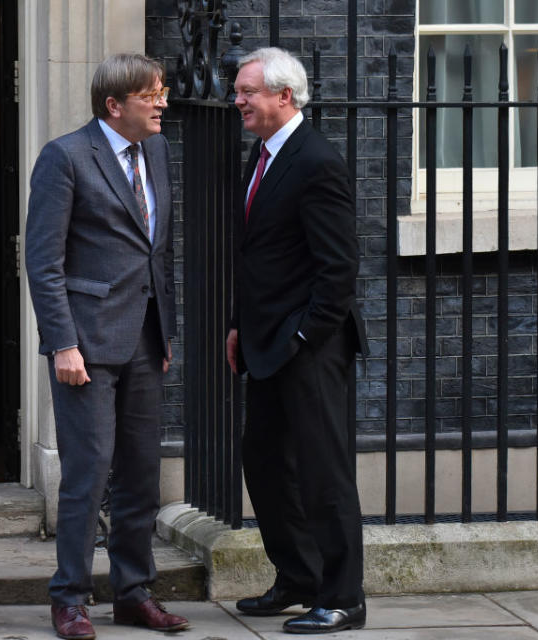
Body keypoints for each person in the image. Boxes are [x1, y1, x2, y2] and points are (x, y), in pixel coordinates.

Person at [25, 53, 189, 639]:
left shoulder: (159, 152)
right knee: (88, 474)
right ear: (114, 105)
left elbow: (158, 252)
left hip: (144, 338)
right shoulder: (65, 157)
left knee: (142, 472)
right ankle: (69, 597)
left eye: (163, 91)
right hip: (87, 345)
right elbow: (43, 263)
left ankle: (132, 592)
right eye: (152, 95)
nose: (163, 102)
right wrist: (62, 343)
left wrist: (163, 331)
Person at [224, 47, 368, 634]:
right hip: (265, 340)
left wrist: (306, 335)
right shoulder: (261, 156)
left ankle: (343, 597)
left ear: (284, 96)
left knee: (322, 471)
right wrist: (239, 323)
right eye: (238, 91)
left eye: (246, 92)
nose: (237, 101)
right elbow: (259, 257)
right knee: (263, 460)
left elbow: (339, 269)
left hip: (309, 345)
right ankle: (299, 578)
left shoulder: (317, 162)